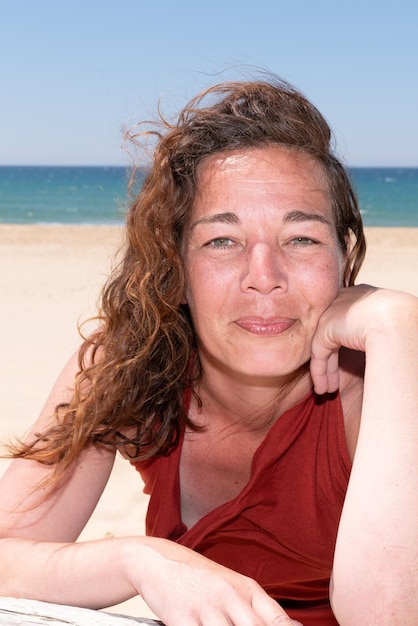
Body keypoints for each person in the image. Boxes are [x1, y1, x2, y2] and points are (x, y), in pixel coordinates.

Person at [0, 76, 417, 626]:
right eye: (223, 240)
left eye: (302, 238)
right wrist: (142, 560)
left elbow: (385, 615)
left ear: (343, 256)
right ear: (176, 267)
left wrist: (399, 325)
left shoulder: (383, 384)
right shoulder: (133, 365)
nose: (264, 278)